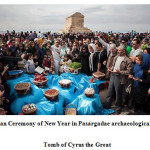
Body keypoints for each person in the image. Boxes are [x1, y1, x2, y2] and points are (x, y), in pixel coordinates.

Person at [104, 44, 132, 114]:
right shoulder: (116, 57)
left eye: (119, 50)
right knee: (110, 91)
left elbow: (128, 71)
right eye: (118, 50)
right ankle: (107, 104)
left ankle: (118, 108)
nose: (118, 51)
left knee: (118, 93)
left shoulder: (127, 60)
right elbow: (114, 65)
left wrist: (119, 72)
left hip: (120, 77)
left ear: (123, 51)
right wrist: (111, 68)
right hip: (113, 75)